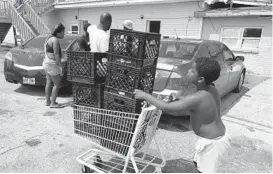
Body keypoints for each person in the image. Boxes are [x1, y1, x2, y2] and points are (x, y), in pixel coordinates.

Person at [134, 57, 231, 173]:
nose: (188, 72)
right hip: (216, 138)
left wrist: (145, 95)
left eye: (192, 70)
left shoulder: (196, 98)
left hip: (213, 145)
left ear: (200, 79)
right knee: (199, 165)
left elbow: (167, 108)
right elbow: (199, 105)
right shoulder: (211, 90)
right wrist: (180, 98)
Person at [43, 23, 65, 108]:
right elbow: (56, 54)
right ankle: (53, 103)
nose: (64, 34)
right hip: (52, 64)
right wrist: (61, 67)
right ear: (58, 32)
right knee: (57, 84)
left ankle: (48, 101)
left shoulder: (48, 39)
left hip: (46, 62)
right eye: (63, 32)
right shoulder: (55, 40)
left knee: (48, 83)